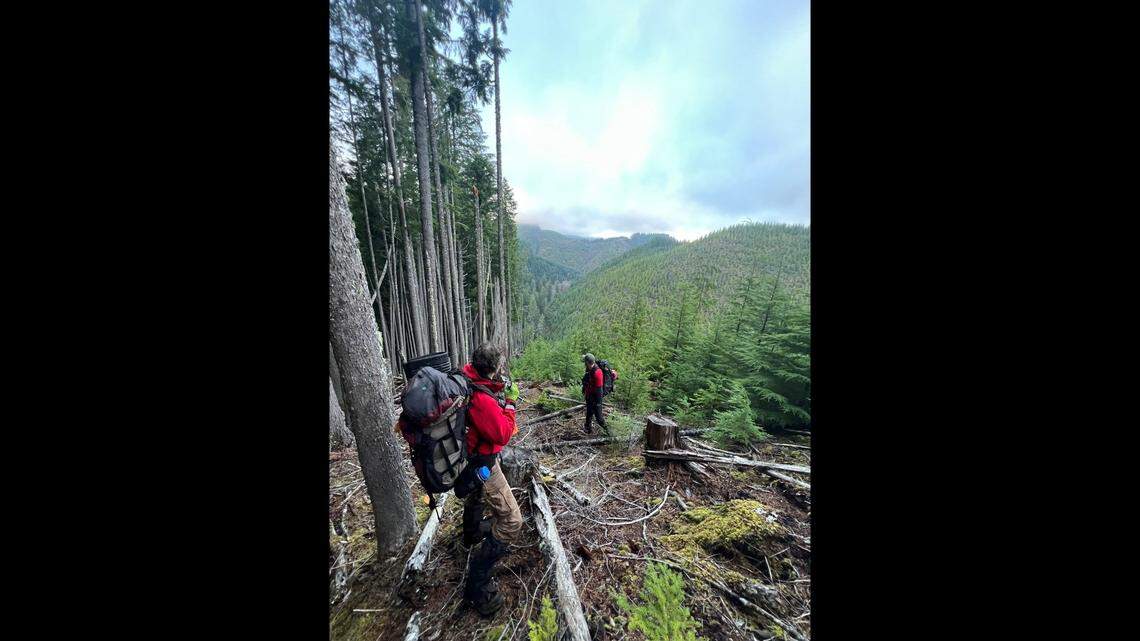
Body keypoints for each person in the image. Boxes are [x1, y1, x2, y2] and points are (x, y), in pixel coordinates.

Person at [459, 342, 522, 616]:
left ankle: (472, 533)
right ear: (494, 368)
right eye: (500, 366)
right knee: (511, 521)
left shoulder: (467, 379)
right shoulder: (481, 399)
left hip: (469, 458)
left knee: (476, 494)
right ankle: (478, 585)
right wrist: (510, 403)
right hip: (482, 462)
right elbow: (503, 434)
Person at [581, 353, 617, 434]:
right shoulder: (590, 368)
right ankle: (588, 428)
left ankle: (610, 434)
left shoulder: (597, 373)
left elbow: (599, 391)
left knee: (599, 418)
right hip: (590, 396)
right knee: (589, 412)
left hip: (596, 398)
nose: (584, 363)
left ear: (587, 363)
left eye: (585, 362)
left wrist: (597, 404)